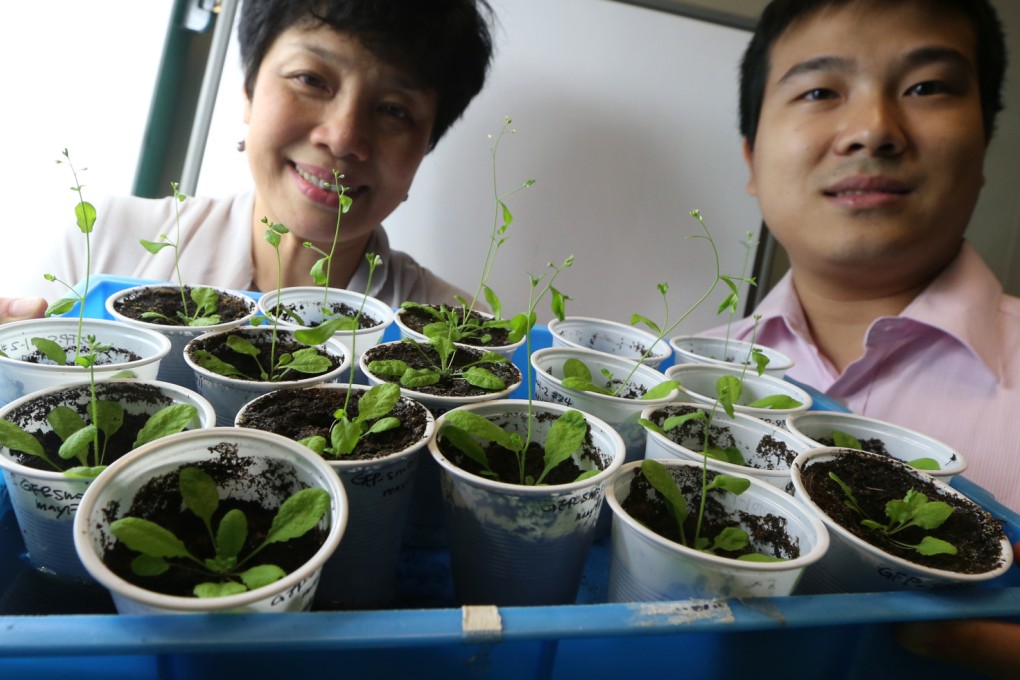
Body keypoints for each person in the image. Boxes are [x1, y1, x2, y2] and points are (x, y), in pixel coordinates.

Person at [724, 1, 1019, 676]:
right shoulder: (680, 381)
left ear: (983, 148)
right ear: (751, 156)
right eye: (820, 91)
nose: (873, 131)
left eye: (927, 88)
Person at [2, 0, 495, 318]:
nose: (344, 138)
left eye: (393, 110)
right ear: (248, 89)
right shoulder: (103, 244)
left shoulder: (462, 336)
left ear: (424, 148)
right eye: (311, 79)